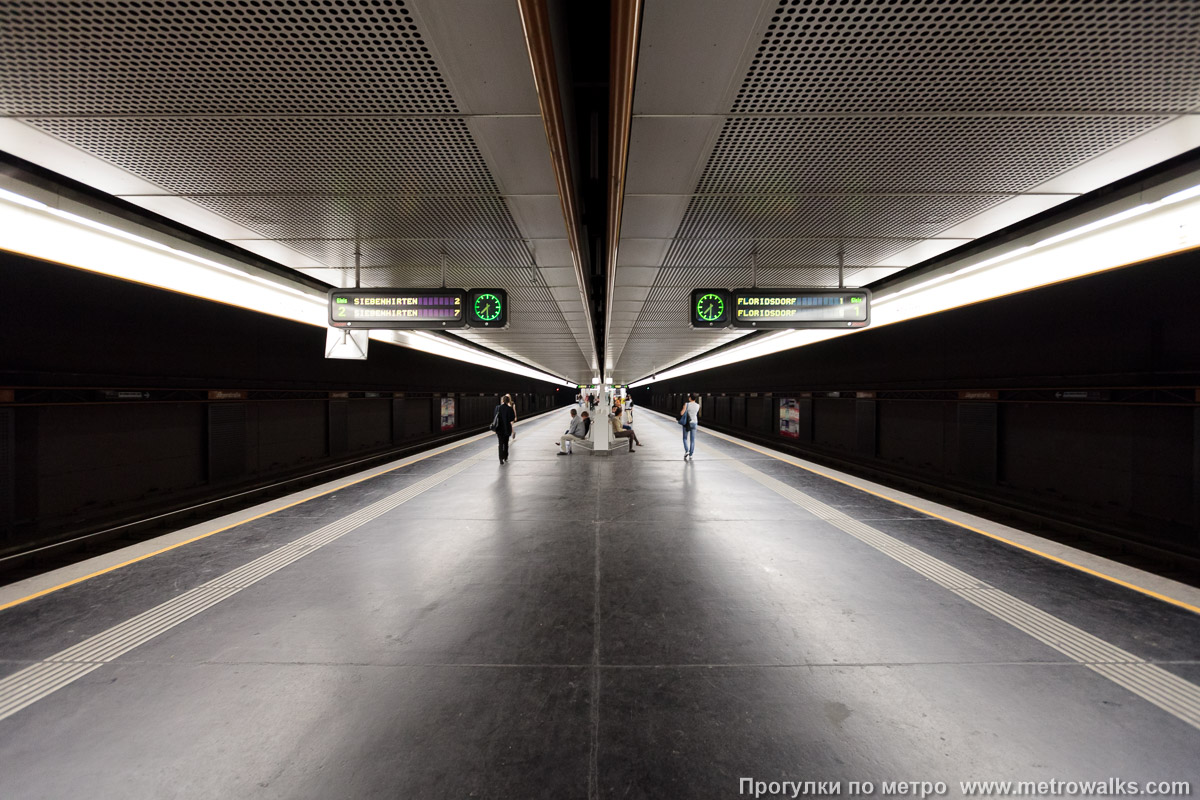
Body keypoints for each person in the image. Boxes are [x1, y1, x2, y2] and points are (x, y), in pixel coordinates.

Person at [494, 393, 516, 464]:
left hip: (499, 429)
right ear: (508, 401)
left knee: (500, 444)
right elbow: (512, 418)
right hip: (507, 429)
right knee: (506, 443)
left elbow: (495, 417)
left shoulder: (498, 408)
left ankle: (500, 459)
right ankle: (505, 456)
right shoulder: (509, 409)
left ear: (502, 400)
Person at [680, 393, 700, 460]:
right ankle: (691, 455)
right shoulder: (698, 405)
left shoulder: (687, 404)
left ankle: (687, 451)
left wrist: (683, 408)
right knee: (692, 440)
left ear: (690, 398)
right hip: (694, 423)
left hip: (687, 423)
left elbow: (682, 413)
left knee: (685, 438)